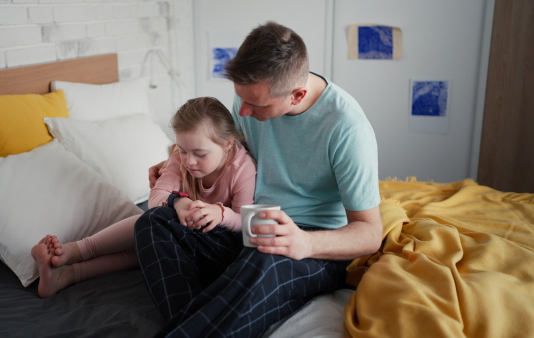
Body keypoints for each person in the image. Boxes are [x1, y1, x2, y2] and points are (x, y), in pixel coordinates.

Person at [141, 21, 383, 337]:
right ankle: (202, 321)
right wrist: (179, 159)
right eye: (240, 98)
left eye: (255, 105)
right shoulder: (247, 104)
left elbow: (369, 234)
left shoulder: (347, 128)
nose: (242, 111)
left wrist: (305, 242)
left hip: (309, 242)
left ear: (296, 95)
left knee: (265, 256)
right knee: (154, 222)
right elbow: (228, 152)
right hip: (250, 226)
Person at [30, 96, 256, 299]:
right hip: (185, 235)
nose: (189, 161)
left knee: (156, 220)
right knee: (149, 236)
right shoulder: (182, 158)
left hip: (219, 245)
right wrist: (178, 201)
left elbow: (245, 224)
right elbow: (156, 197)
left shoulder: (242, 169)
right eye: (183, 150)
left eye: (199, 154)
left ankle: (75, 252)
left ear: (227, 143)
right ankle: (68, 273)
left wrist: (221, 214)